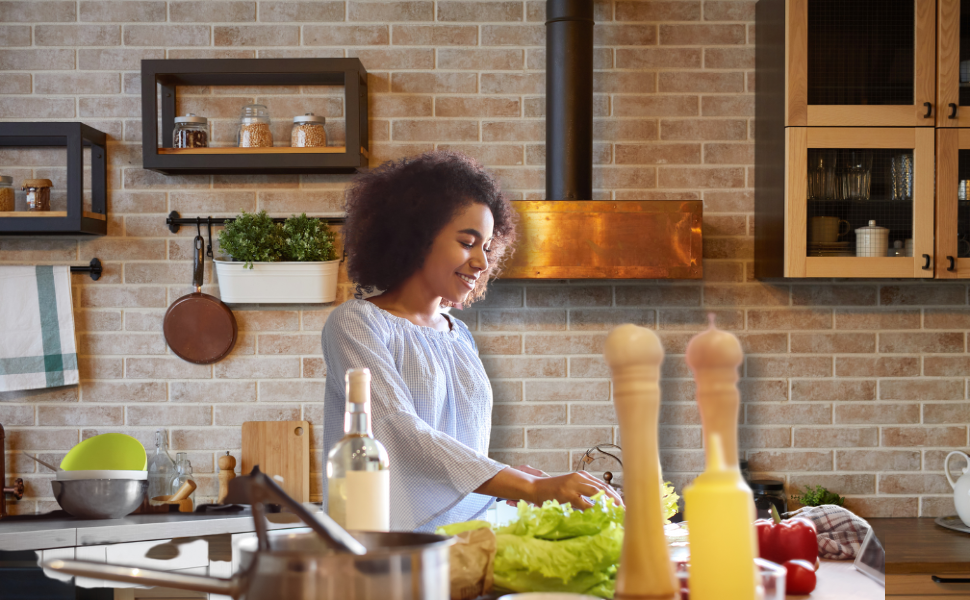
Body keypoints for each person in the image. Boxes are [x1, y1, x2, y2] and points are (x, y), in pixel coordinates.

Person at [321, 151, 621, 532]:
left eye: (487, 247)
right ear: (415, 236)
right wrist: (527, 485)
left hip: (459, 542)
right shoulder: (356, 323)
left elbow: (454, 444)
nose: (481, 263)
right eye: (467, 242)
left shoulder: (458, 336)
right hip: (379, 549)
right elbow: (396, 431)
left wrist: (504, 478)